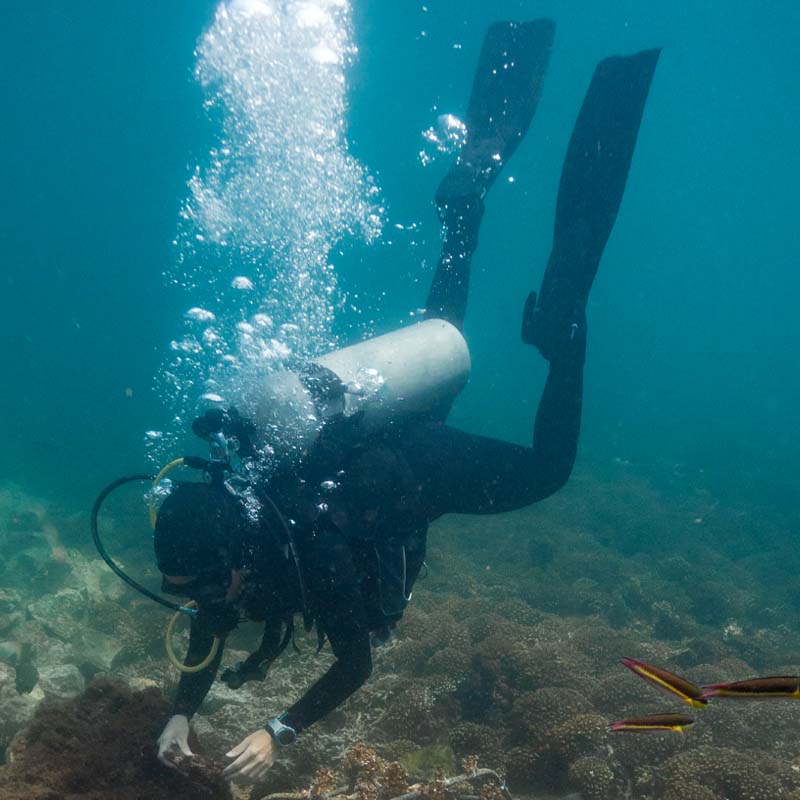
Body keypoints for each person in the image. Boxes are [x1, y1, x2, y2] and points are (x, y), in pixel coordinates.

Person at [154, 19, 660, 784]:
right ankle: (466, 199)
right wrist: (181, 709)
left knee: (549, 470)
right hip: (374, 431)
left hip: (417, 470)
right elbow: (212, 628)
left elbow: (354, 665)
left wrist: (278, 729)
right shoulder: (239, 523)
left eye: (198, 591)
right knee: (441, 334)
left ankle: (567, 321)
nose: (201, 607)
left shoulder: (305, 538)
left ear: (226, 557)